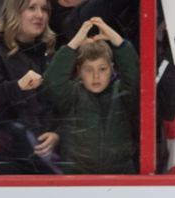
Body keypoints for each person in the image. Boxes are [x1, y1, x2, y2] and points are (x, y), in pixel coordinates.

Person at [0, 0, 60, 174]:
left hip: (38, 161)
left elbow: (56, 107)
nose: (40, 15)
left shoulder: (47, 57)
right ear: (14, 13)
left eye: (44, 9)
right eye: (31, 8)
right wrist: (18, 86)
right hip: (1, 164)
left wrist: (55, 134)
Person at [43, 16, 138, 174]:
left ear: (112, 68)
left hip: (120, 176)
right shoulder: (71, 94)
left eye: (102, 69)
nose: (96, 77)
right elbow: (52, 81)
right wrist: (75, 43)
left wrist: (117, 41)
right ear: (79, 70)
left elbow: (135, 76)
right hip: (77, 176)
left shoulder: (122, 93)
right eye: (88, 70)